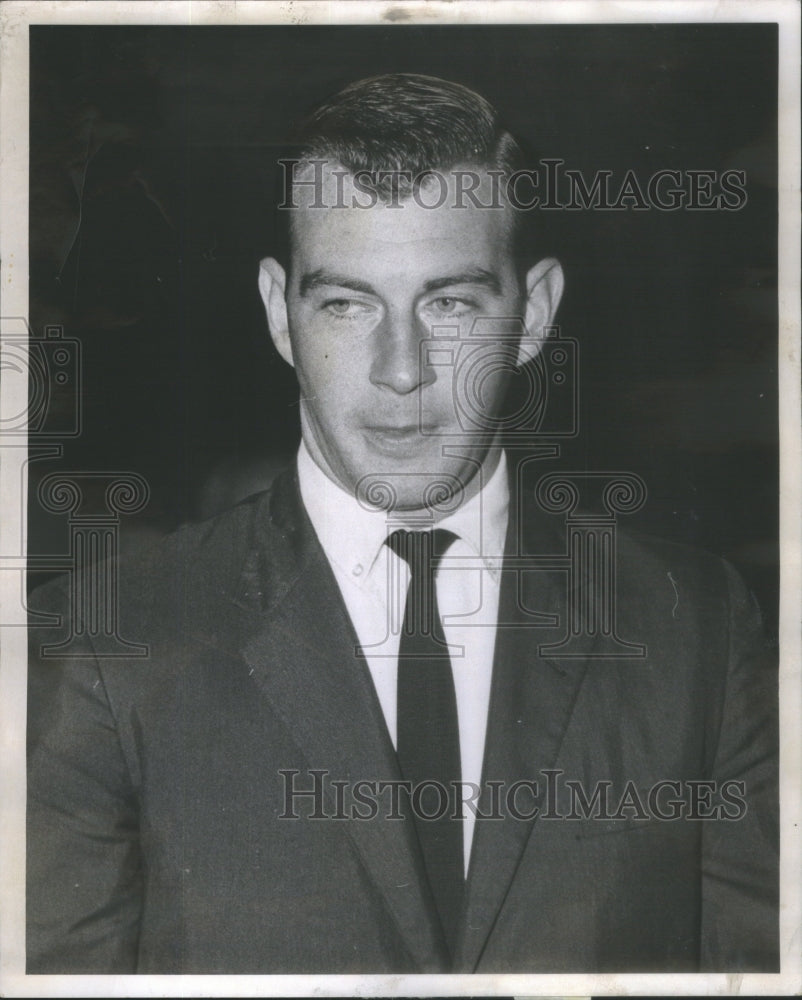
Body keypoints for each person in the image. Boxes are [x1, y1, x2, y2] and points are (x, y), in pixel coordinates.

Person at [26, 73, 778, 975]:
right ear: (280, 313)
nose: (401, 369)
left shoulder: (696, 625)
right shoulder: (106, 644)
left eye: (449, 303)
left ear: (533, 313)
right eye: (346, 304)